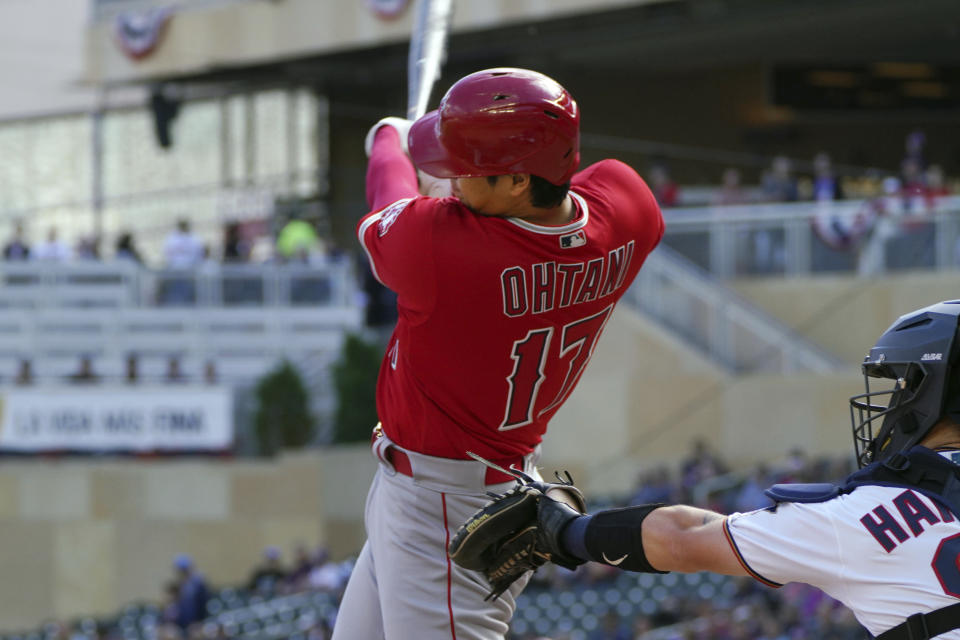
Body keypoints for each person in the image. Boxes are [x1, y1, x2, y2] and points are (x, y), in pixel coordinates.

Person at [333, 67, 664, 640]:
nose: (452, 180)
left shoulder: (439, 246)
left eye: (464, 170)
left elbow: (386, 202)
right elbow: (555, 208)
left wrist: (386, 139)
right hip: (459, 483)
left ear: (515, 181)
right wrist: (462, 188)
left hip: (443, 505)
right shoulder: (630, 208)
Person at [528, 300, 960, 640]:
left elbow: (682, 539)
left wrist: (565, 532)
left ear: (933, 393)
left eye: (903, 386)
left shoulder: (858, 517)